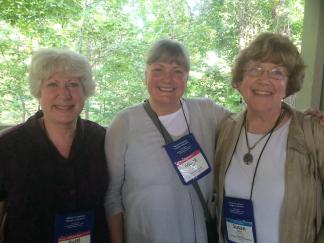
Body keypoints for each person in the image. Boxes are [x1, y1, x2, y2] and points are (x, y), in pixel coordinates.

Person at [104, 39, 230, 243]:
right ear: (146, 75)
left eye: (177, 71)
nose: (167, 79)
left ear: (187, 77)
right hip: (144, 236)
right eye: (158, 69)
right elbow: (112, 195)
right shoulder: (125, 122)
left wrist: (299, 118)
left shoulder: (207, 112)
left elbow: (252, 122)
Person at [214, 32, 324, 243]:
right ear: (239, 81)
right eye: (255, 69)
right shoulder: (226, 130)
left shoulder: (312, 132)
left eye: (277, 72)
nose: (264, 80)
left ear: (288, 84)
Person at [0, 48, 109, 243]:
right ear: (38, 92)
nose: (64, 94)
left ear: (85, 91)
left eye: (73, 84)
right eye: (52, 84)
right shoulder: (8, 147)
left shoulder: (103, 140)